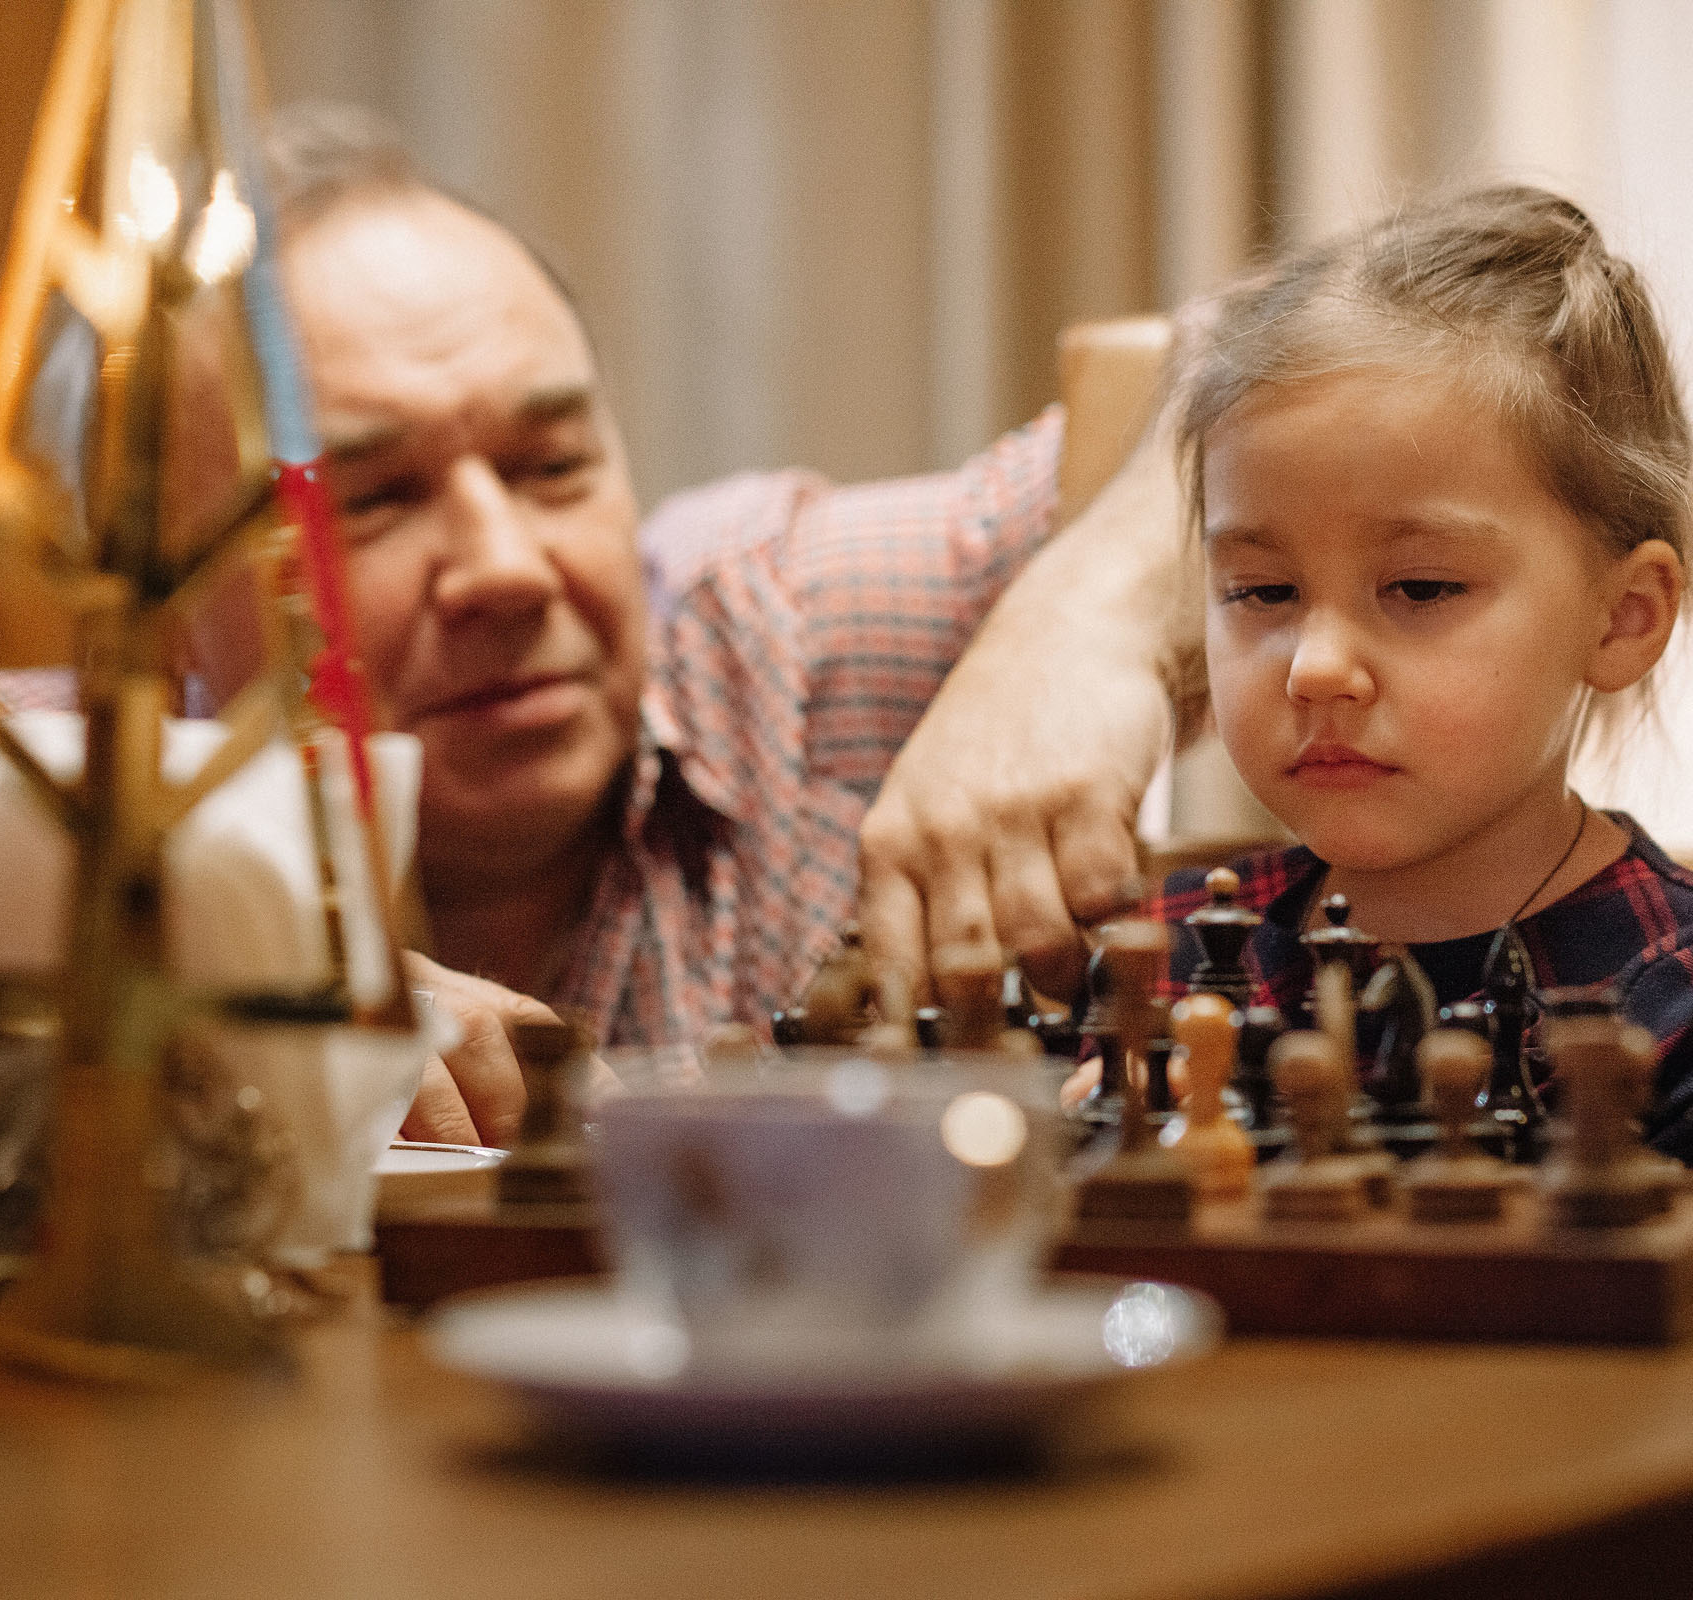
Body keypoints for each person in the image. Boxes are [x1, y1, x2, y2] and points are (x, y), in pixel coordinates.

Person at [249, 106, 1189, 1145]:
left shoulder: (798, 625)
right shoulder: (63, 834)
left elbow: (1282, 359)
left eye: (554, 465)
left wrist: (1081, 617)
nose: (507, 568)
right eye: (370, 499)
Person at [1066, 185, 1693, 1160]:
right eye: (1262, 591)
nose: (1317, 667)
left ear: (1624, 618)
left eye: (1422, 588)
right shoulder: (1165, 959)